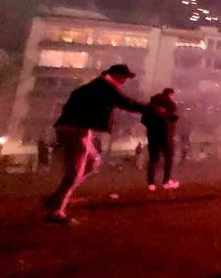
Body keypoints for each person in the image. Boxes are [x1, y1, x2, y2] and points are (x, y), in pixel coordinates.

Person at [47, 64, 149, 221]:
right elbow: (127, 103)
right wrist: (152, 109)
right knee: (75, 172)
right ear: (114, 75)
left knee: (92, 162)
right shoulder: (105, 87)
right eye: (124, 77)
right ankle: (56, 211)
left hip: (77, 129)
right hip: (74, 130)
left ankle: (59, 198)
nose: (124, 81)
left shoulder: (96, 86)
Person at [142, 88, 179, 190]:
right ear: (171, 94)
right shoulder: (169, 103)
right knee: (168, 158)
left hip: (152, 136)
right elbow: (171, 116)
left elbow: (143, 120)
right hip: (165, 135)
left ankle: (151, 184)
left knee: (153, 159)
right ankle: (166, 181)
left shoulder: (150, 105)